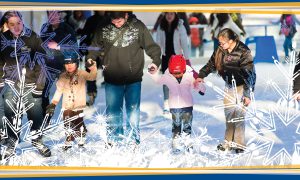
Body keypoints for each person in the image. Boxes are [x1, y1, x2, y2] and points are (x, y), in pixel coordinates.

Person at [86, 11, 161, 146]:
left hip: (133, 78)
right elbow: (94, 47)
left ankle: (133, 139)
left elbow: (152, 46)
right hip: (112, 77)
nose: (117, 24)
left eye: (119, 21)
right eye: (114, 22)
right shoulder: (104, 26)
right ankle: (114, 139)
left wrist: (155, 62)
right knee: (113, 111)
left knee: (133, 111)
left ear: (126, 15)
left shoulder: (138, 27)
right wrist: (90, 59)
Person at [195, 28, 256, 154]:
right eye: (220, 43)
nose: (220, 45)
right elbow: (211, 64)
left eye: (223, 43)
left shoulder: (244, 51)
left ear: (232, 41)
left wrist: (247, 94)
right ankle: (227, 143)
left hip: (242, 86)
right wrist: (201, 75)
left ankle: (239, 144)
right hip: (229, 86)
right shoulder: (221, 50)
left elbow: (249, 75)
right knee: (229, 116)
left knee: (238, 117)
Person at [0, 11, 51, 159]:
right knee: (11, 115)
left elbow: (42, 63)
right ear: (7, 26)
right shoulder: (3, 39)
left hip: (31, 84)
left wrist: (39, 85)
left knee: (35, 114)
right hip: (11, 84)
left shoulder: (32, 37)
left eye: (18, 23)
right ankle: (12, 142)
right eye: (12, 24)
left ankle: (37, 140)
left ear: (22, 22)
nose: (16, 27)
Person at [149, 55, 205, 153]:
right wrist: (153, 72)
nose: (177, 75)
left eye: (179, 73)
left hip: (187, 106)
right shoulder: (167, 77)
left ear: (183, 69)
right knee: (176, 125)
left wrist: (200, 87)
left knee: (187, 125)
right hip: (175, 106)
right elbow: (158, 80)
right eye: (174, 73)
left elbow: (196, 85)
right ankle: (176, 142)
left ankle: (187, 141)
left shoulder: (189, 75)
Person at [46, 54, 97, 150]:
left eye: (72, 63)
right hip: (67, 105)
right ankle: (69, 139)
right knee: (67, 121)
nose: (69, 66)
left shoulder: (82, 74)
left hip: (79, 105)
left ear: (77, 64)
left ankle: (81, 136)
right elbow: (58, 91)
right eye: (66, 64)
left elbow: (92, 77)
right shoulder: (62, 77)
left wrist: (92, 68)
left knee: (78, 122)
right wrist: (53, 103)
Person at [155, 12, 196, 114]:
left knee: (178, 80)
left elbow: (184, 44)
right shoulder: (161, 26)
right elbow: (158, 42)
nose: (169, 16)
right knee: (166, 81)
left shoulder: (179, 26)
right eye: (167, 14)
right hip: (165, 57)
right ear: (165, 15)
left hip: (177, 57)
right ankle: (166, 103)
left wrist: (186, 58)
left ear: (175, 15)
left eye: (171, 14)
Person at [40, 10, 77, 119]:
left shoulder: (67, 28)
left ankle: (69, 121)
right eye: (50, 14)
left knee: (68, 95)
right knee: (43, 93)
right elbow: (40, 44)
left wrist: (59, 47)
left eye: (55, 14)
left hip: (64, 66)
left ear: (59, 15)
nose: (53, 17)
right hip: (48, 65)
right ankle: (45, 119)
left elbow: (75, 49)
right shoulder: (45, 28)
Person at [80, 11, 110, 106]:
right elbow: (84, 35)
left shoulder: (111, 20)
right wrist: (82, 48)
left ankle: (113, 98)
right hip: (92, 50)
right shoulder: (91, 20)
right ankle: (91, 95)